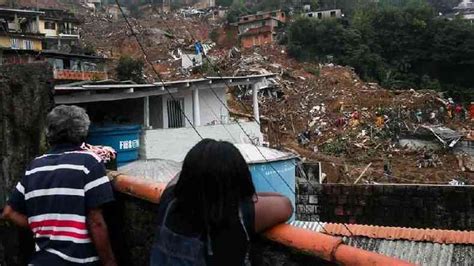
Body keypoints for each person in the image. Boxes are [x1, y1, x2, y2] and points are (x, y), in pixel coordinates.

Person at [1, 105, 117, 266]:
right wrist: (110, 262)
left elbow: (8, 212)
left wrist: (43, 226)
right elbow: (96, 221)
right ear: (83, 131)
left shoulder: (35, 166)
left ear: (49, 132)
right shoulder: (89, 162)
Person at [150, 139, 293, 266]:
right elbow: (285, 204)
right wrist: (241, 193)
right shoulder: (240, 214)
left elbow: (182, 176)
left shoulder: (170, 200)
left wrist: (202, 158)